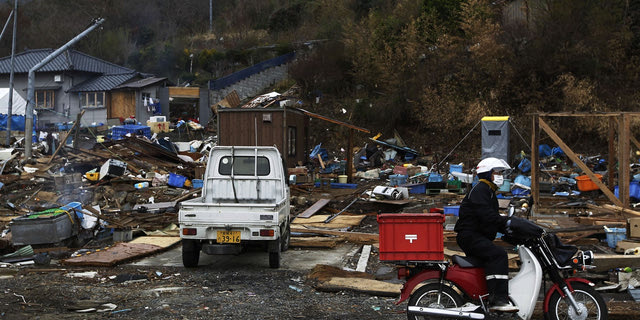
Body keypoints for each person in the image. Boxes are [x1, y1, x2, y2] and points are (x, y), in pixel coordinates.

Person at [454, 157, 519, 313]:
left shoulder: (488, 191)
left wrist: (509, 230)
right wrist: (506, 223)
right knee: (498, 255)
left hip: (476, 236)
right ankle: (499, 300)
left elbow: (491, 220)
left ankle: (481, 298)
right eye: (497, 172)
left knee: (487, 261)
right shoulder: (480, 190)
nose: (500, 175)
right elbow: (488, 216)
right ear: (488, 173)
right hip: (470, 236)